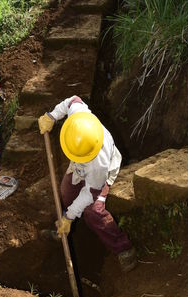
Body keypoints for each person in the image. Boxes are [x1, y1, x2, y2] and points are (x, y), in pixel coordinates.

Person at [38, 95, 137, 273]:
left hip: (105, 172)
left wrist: (69, 216)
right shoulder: (79, 118)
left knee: (93, 211)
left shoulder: (99, 165)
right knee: (66, 192)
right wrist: (51, 116)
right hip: (80, 167)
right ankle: (66, 230)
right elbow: (72, 100)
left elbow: (89, 194)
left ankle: (123, 248)